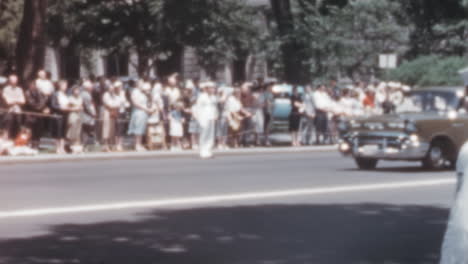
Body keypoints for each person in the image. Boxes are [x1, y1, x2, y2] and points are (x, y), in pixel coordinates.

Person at [128, 82, 155, 151]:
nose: (143, 86)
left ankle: (138, 144)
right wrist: (146, 109)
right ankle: (137, 145)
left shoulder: (142, 93)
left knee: (141, 129)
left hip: (143, 113)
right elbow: (135, 103)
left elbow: (148, 101)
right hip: (138, 112)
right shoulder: (135, 92)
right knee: (138, 129)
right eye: (141, 85)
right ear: (138, 85)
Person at [194, 82, 218, 159]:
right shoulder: (202, 97)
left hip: (211, 117)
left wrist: (215, 115)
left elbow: (214, 107)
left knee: (210, 135)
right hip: (204, 118)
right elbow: (197, 108)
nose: (213, 89)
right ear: (207, 89)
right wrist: (199, 118)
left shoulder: (213, 97)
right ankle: (203, 151)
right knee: (204, 135)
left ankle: (209, 150)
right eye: (211, 88)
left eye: (213, 88)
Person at [25, 81, 49, 149]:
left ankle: (37, 144)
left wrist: (41, 107)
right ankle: (30, 144)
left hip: (39, 114)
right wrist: (39, 107)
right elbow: (31, 103)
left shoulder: (39, 92)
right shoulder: (27, 92)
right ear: (29, 86)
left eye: (34, 85)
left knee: (38, 129)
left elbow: (43, 100)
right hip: (30, 114)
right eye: (31, 85)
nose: (32, 86)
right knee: (31, 130)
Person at [2, 74, 25, 139]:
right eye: (12, 80)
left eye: (15, 80)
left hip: (18, 110)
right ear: (9, 81)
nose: (14, 82)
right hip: (9, 110)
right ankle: (6, 138)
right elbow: (8, 101)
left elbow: (23, 101)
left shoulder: (19, 89)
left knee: (18, 124)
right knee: (7, 124)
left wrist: (13, 100)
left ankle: (17, 139)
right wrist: (17, 100)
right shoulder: (6, 89)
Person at [50, 80, 69, 154]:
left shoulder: (66, 94)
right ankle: (57, 148)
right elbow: (53, 105)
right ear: (60, 86)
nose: (65, 87)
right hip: (58, 115)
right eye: (64, 85)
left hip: (65, 114)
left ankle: (62, 147)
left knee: (63, 132)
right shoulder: (55, 94)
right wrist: (61, 107)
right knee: (58, 132)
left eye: (66, 85)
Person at [101, 82, 121, 151]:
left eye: (113, 88)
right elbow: (109, 104)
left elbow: (118, 103)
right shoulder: (105, 95)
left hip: (114, 113)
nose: (112, 90)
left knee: (112, 130)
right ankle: (105, 145)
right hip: (107, 112)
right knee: (106, 129)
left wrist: (114, 105)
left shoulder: (115, 95)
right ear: (108, 89)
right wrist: (114, 105)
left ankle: (111, 145)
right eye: (110, 88)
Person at [81, 80, 98, 151]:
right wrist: (92, 114)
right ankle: (85, 146)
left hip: (87, 115)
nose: (92, 87)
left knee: (87, 131)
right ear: (87, 87)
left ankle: (86, 146)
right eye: (91, 86)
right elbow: (86, 106)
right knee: (87, 130)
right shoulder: (86, 95)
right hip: (87, 116)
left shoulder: (87, 94)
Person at [66, 86, 84, 153]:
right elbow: (68, 107)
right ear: (73, 91)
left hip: (79, 115)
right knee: (72, 130)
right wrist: (75, 108)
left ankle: (77, 145)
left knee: (78, 130)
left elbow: (81, 106)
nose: (77, 92)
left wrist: (80, 108)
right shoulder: (70, 98)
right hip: (73, 114)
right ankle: (71, 145)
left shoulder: (80, 98)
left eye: (78, 90)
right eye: (76, 90)